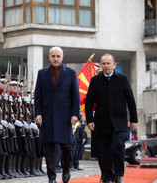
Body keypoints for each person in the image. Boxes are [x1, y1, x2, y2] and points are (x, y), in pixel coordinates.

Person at [85, 53, 138, 183]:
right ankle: (108, 177)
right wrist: (90, 121)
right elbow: (89, 102)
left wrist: (134, 120)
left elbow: (131, 100)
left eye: (108, 63)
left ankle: (118, 175)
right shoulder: (95, 80)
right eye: (103, 63)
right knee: (105, 151)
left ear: (113, 64)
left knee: (118, 146)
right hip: (101, 122)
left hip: (119, 122)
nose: (106, 66)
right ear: (101, 65)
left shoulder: (122, 79)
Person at [34, 46, 80, 183]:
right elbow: (37, 96)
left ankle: (66, 170)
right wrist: (38, 113)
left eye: (58, 56)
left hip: (65, 116)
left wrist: (74, 114)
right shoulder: (42, 73)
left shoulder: (71, 73)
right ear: (49, 57)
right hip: (47, 115)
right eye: (53, 56)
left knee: (67, 147)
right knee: (49, 148)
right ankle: (51, 177)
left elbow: (75, 96)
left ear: (62, 57)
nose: (55, 58)